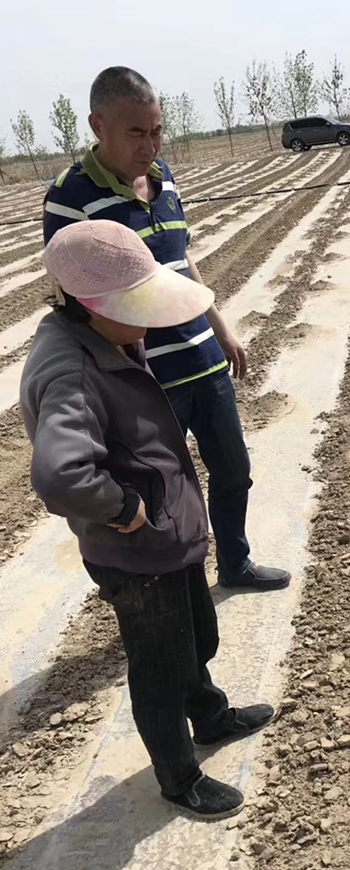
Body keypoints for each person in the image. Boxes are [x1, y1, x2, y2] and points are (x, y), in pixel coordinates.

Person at [21, 220, 276, 818]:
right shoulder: (72, 370)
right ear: (91, 304)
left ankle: (210, 718)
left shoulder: (101, 338)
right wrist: (126, 508)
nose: (152, 318)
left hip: (165, 539)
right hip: (135, 554)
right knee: (159, 668)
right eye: (139, 305)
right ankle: (179, 776)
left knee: (195, 637)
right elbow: (59, 474)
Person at [42, 65, 290, 592]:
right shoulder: (71, 195)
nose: (150, 144)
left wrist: (220, 327)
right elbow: (73, 291)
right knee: (163, 488)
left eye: (157, 130)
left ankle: (235, 564)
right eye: (137, 132)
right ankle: (170, 587)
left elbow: (180, 259)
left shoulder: (165, 177)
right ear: (97, 125)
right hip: (147, 376)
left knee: (232, 471)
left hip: (200, 355)